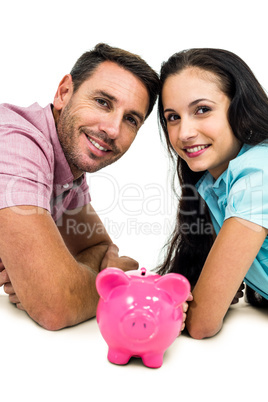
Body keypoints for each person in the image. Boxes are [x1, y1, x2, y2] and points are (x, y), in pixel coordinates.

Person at [0, 43, 160, 330]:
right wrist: (111, 282)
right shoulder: (15, 141)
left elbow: (100, 245)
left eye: (131, 119)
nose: (112, 129)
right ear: (64, 93)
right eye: (103, 102)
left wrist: (66, 280)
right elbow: (56, 305)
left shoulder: (67, 164)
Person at [157, 48, 268, 339]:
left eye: (202, 110)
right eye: (173, 117)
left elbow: (201, 323)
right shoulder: (212, 184)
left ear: (239, 106)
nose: (184, 133)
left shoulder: (257, 173)